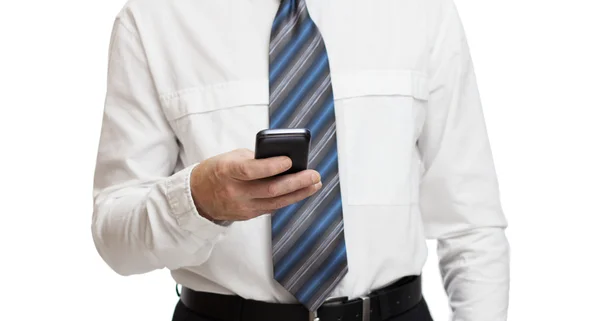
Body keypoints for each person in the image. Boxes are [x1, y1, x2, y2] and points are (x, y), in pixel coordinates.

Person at [92, 0, 510, 320]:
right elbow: (115, 243)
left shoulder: (421, 10)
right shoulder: (154, 17)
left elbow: (471, 222)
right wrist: (197, 202)